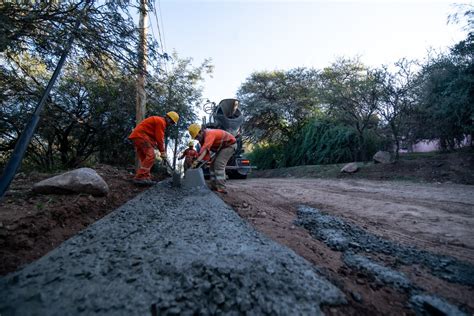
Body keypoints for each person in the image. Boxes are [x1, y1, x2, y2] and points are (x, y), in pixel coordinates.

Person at [128, 111, 179, 185]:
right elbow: (159, 138)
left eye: (173, 123)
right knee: (151, 156)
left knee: (145, 158)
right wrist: (162, 152)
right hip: (141, 136)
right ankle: (140, 177)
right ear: (168, 118)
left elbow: (154, 137)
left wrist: (156, 146)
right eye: (172, 122)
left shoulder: (158, 121)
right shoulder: (161, 122)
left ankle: (145, 177)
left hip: (138, 137)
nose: (171, 124)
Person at [188, 123, 236, 194]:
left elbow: (205, 151)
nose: (197, 139)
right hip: (222, 147)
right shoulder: (204, 138)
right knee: (212, 166)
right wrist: (196, 159)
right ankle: (214, 186)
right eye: (195, 138)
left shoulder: (209, 134)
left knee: (219, 164)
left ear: (200, 132)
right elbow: (202, 151)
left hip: (230, 145)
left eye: (197, 137)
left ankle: (221, 187)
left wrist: (196, 162)